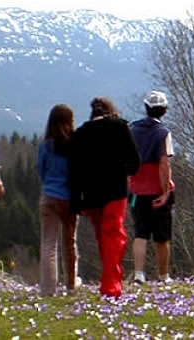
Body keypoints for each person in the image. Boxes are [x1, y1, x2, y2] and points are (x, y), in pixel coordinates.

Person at [70, 97, 140, 298]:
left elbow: (74, 171)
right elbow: (134, 161)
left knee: (103, 237)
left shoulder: (81, 134)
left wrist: (77, 202)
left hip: (91, 195)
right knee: (114, 236)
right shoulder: (120, 127)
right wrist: (125, 173)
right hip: (115, 191)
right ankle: (111, 284)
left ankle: (111, 279)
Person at [129, 90, 175, 284]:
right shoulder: (163, 133)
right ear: (164, 110)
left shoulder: (132, 130)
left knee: (140, 233)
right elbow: (164, 163)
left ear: (146, 108)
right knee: (162, 236)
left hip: (137, 190)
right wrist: (165, 191)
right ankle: (163, 275)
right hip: (157, 189)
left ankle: (139, 273)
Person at [37, 104, 80, 296]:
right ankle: (71, 284)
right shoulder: (75, 145)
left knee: (49, 244)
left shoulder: (46, 146)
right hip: (69, 199)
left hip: (49, 197)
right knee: (69, 242)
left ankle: (48, 289)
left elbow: (42, 171)